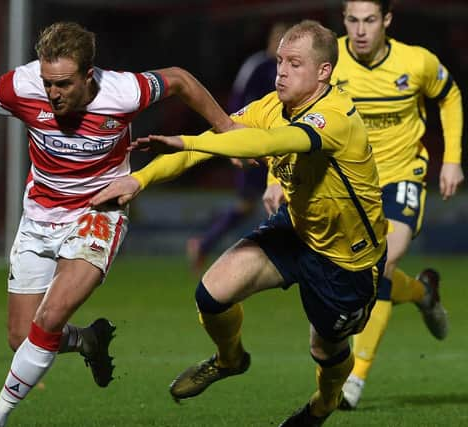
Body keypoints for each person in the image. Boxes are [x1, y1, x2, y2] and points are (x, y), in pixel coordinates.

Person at [0, 21, 234, 427]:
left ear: (89, 75)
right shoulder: (21, 85)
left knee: (48, 320)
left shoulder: (124, 91)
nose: (53, 94)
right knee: (22, 338)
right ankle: (87, 339)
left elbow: (180, 80)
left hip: (97, 214)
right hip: (38, 219)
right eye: (48, 83)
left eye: (64, 84)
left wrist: (226, 129)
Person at [92, 20, 388, 426]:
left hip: (346, 261)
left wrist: (191, 140)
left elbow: (267, 143)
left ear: (323, 72)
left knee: (327, 351)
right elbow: (222, 137)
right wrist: (140, 178)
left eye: (295, 63)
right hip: (297, 230)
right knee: (212, 295)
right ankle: (230, 359)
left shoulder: (336, 117)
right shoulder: (271, 105)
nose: (281, 70)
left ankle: (325, 401)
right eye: (280, 60)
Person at [327, 0, 462, 409]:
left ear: (387, 20)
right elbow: (292, 112)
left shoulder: (416, 62)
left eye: (370, 20)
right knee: (361, 273)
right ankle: (422, 292)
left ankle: (355, 379)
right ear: (343, 21)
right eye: (353, 20)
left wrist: (452, 159)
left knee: (381, 261)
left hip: (404, 176)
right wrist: (274, 176)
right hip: (350, 183)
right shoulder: (328, 61)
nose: (361, 30)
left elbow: (450, 96)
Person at [186, 22, 288, 275]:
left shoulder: (288, 69)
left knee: (267, 201)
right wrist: (232, 138)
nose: (279, 44)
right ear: (270, 39)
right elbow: (236, 100)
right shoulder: (257, 66)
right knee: (250, 203)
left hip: (278, 144)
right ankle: (206, 244)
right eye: (277, 38)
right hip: (251, 143)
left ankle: (208, 244)